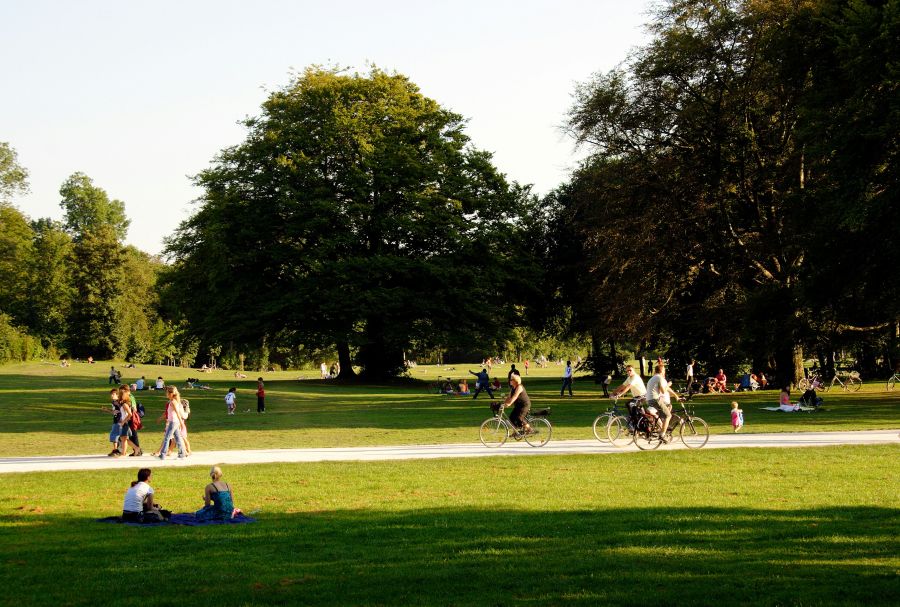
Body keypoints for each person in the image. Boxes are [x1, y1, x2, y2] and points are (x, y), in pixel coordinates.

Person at [646, 363, 680, 443]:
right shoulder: (659, 378)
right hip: (655, 399)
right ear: (662, 370)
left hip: (649, 399)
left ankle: (659, 427)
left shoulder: (653, 377)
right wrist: (668, 384)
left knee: (664, 413)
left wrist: (675, 395)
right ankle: (662, 434)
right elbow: (663, 391)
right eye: (664, 370)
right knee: (668, 415)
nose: (665, 371)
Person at [158, 386, 187, 460]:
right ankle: (182, 454)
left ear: (170, 393)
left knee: (167, 438)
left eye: (167, 392)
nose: (166, 393)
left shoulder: (173, 402)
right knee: (178, 438)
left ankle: (163, 455)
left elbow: (177, 413)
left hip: (173, 422)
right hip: (174, 422)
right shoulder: (173, 401)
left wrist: (181, 423)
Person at [503, 372, 533, 437]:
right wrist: (503, 404)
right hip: (518, 406)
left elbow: (515, 396)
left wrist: (509, 403)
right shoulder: (513, 388)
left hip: (524, 405)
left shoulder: (519, 387)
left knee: (520, 418)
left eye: (511, 379)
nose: (510, 381)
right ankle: (516, 432)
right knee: (511, 418)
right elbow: (509, 397)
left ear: (515, 381)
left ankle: (529, 429)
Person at [117, 384, 142, 457]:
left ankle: (135, 450)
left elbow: (131, 412)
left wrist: (123, 421)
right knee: (124, 438)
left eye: (120, 394)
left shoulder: (127, 402)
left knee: (126, 437)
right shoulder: (123, 403)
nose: (119, 396)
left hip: (128, 421)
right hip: (125, 421)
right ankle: (136, 449)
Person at [102, 388, 124, 457]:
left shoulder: (117, 402)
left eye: (113, 394)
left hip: (119, 420)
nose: (112, 395)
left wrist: (120, 415)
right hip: (116, 420)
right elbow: (114, 412)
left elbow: (121, 410)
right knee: (116, 436)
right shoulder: (114, 402)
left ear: (117, 395)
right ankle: (116, 450)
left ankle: (117, 451)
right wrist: (107, 410)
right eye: (111, 394)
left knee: (115, 435)